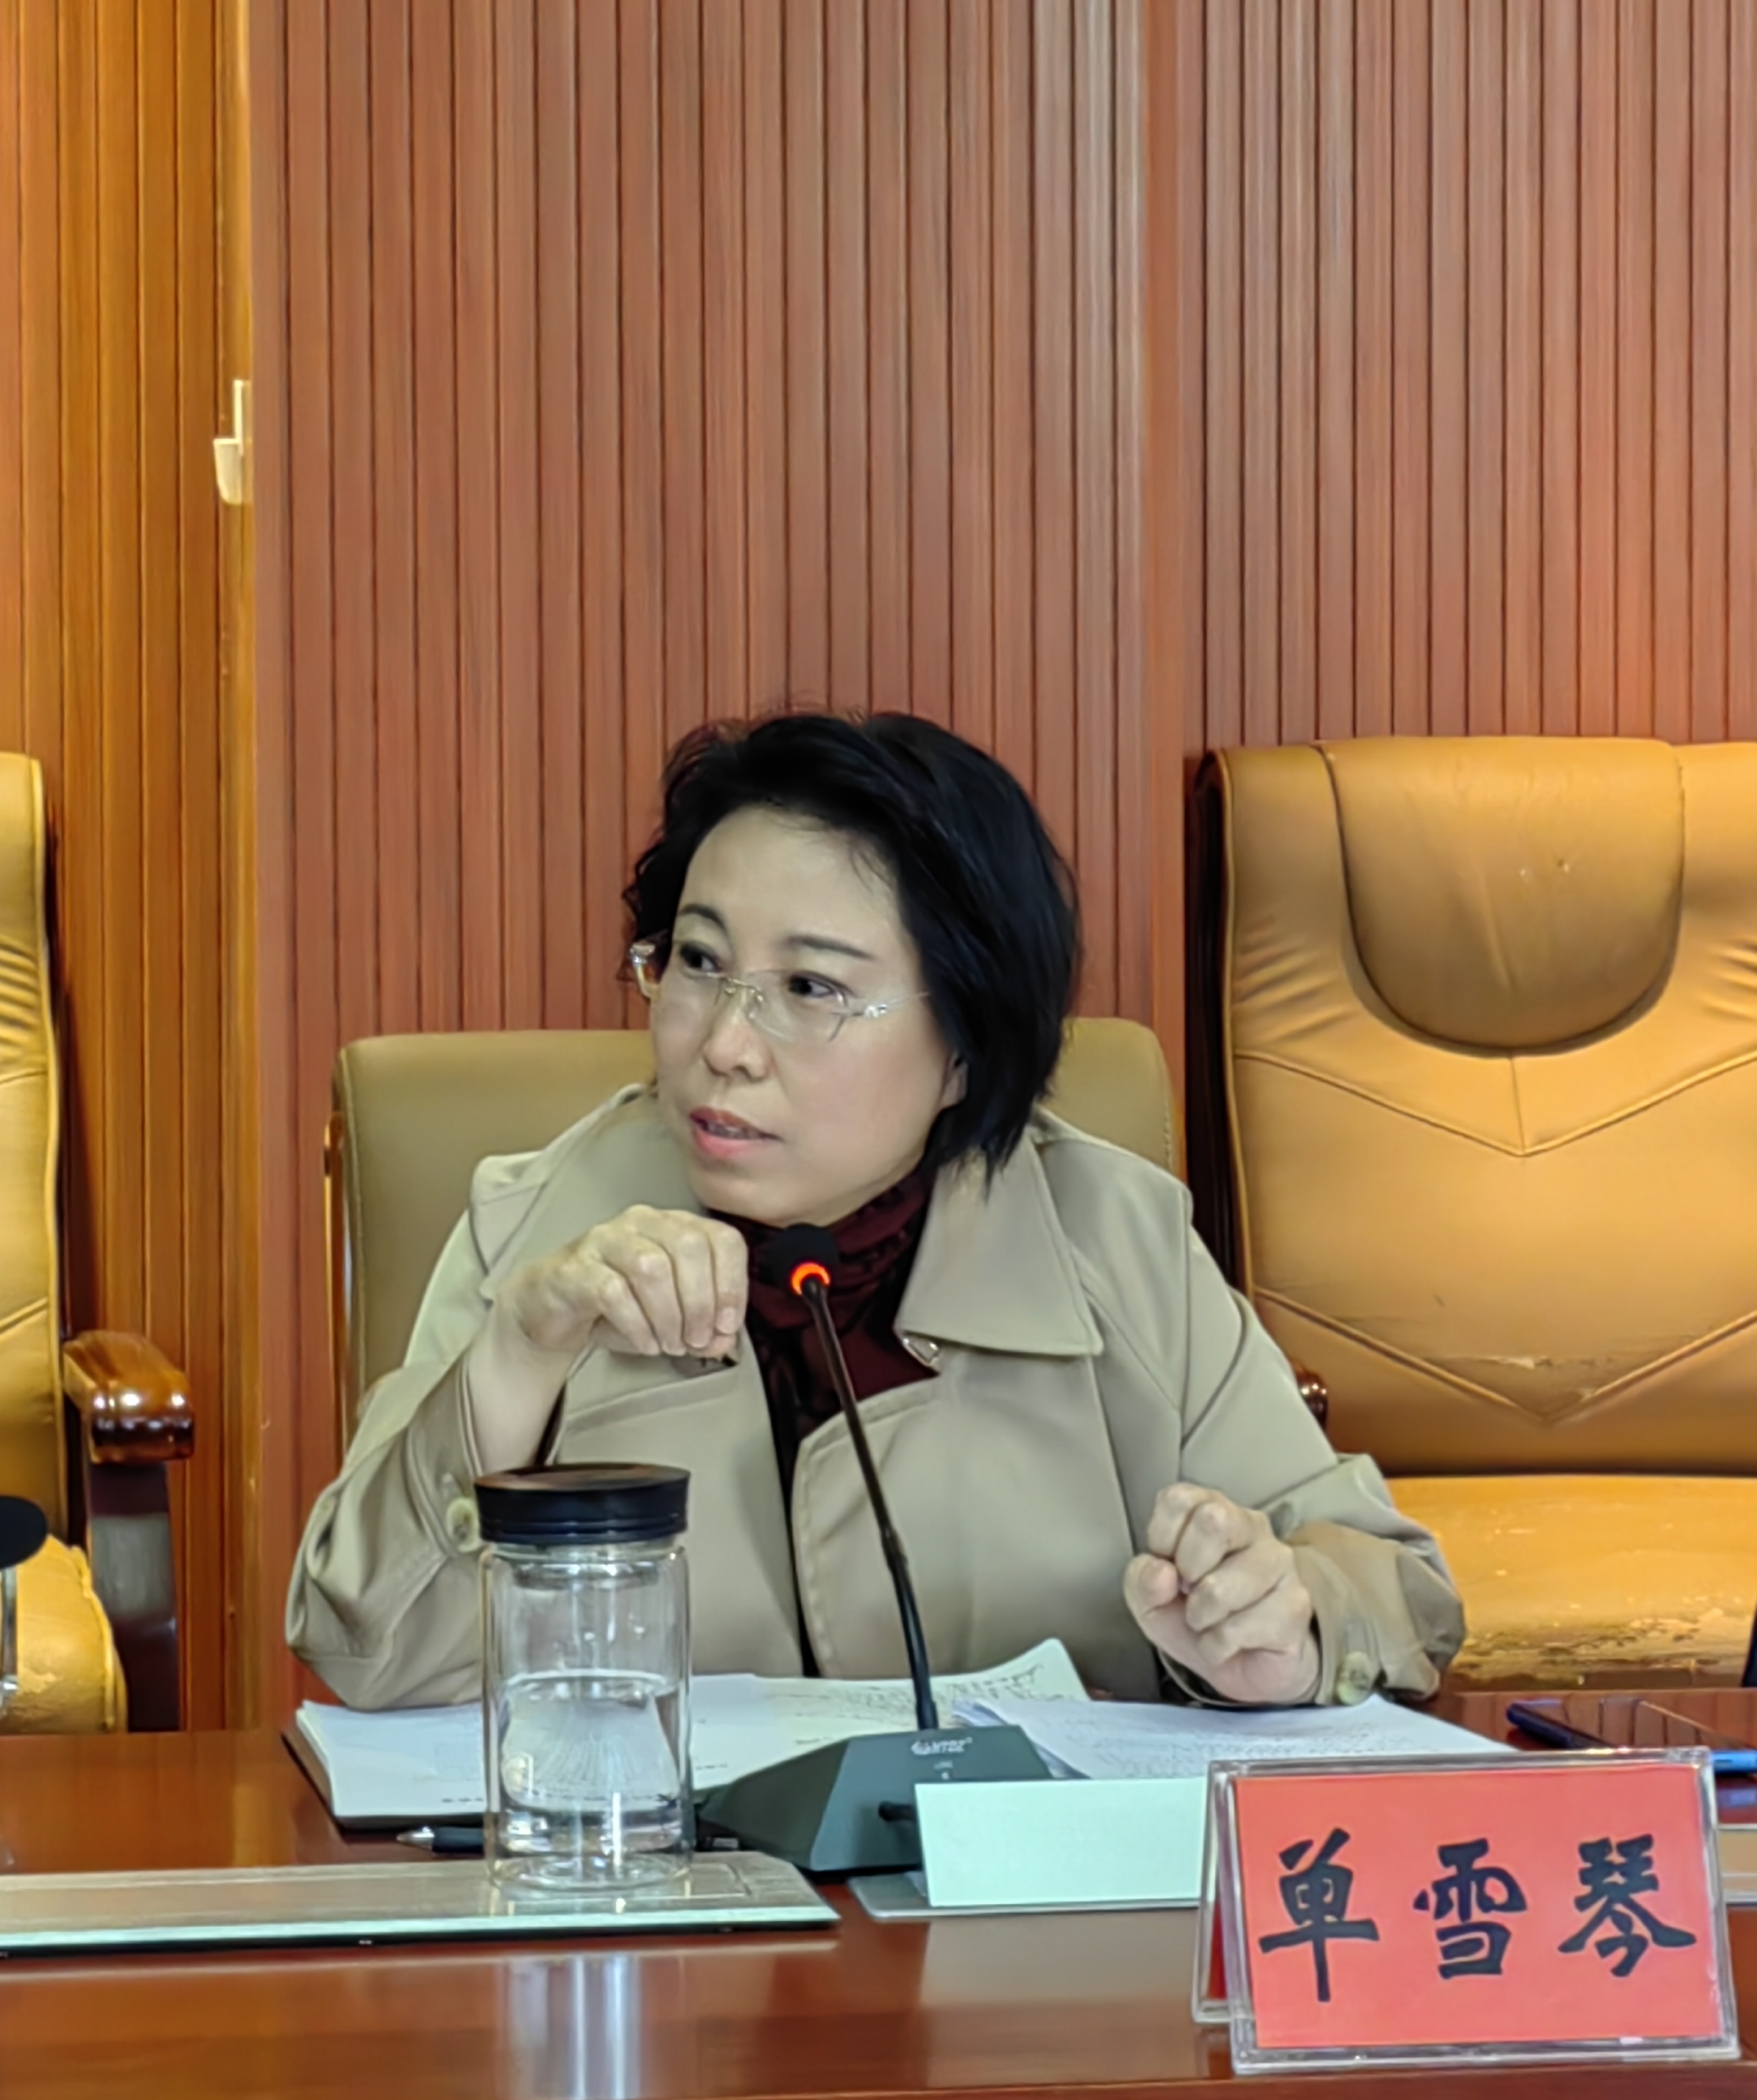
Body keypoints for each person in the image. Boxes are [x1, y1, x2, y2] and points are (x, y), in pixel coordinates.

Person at [288, 712, 1462, 1712]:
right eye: (696, 962)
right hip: (658, 1894)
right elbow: (360, 1650)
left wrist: (1287, 1622)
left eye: (810, 986)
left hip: (1039, 1906)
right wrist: (518, 1353)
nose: (724, 1044)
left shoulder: (1113, 1237)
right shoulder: (540, 1230)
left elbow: (1395, 1590)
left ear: (964, 1044)